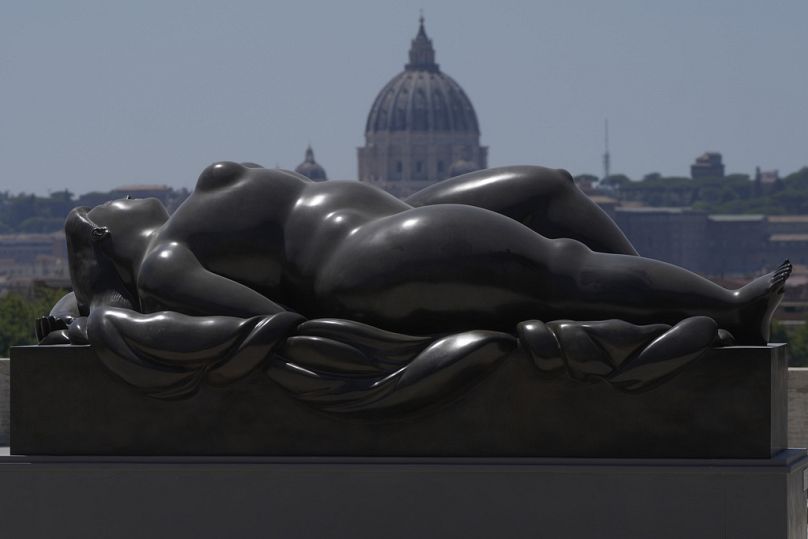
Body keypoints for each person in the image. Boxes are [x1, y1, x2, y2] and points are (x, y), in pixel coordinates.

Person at [63, 161, 790, 345]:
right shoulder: (164, 264)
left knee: (551, 189)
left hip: (400, 213)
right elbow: (277, 324)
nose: (107, 200)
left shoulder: (200, 196)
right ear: (103, 242)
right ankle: (725, 306)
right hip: (368, 258)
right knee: (560, 265)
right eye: (94, 215)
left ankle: (643, 324)